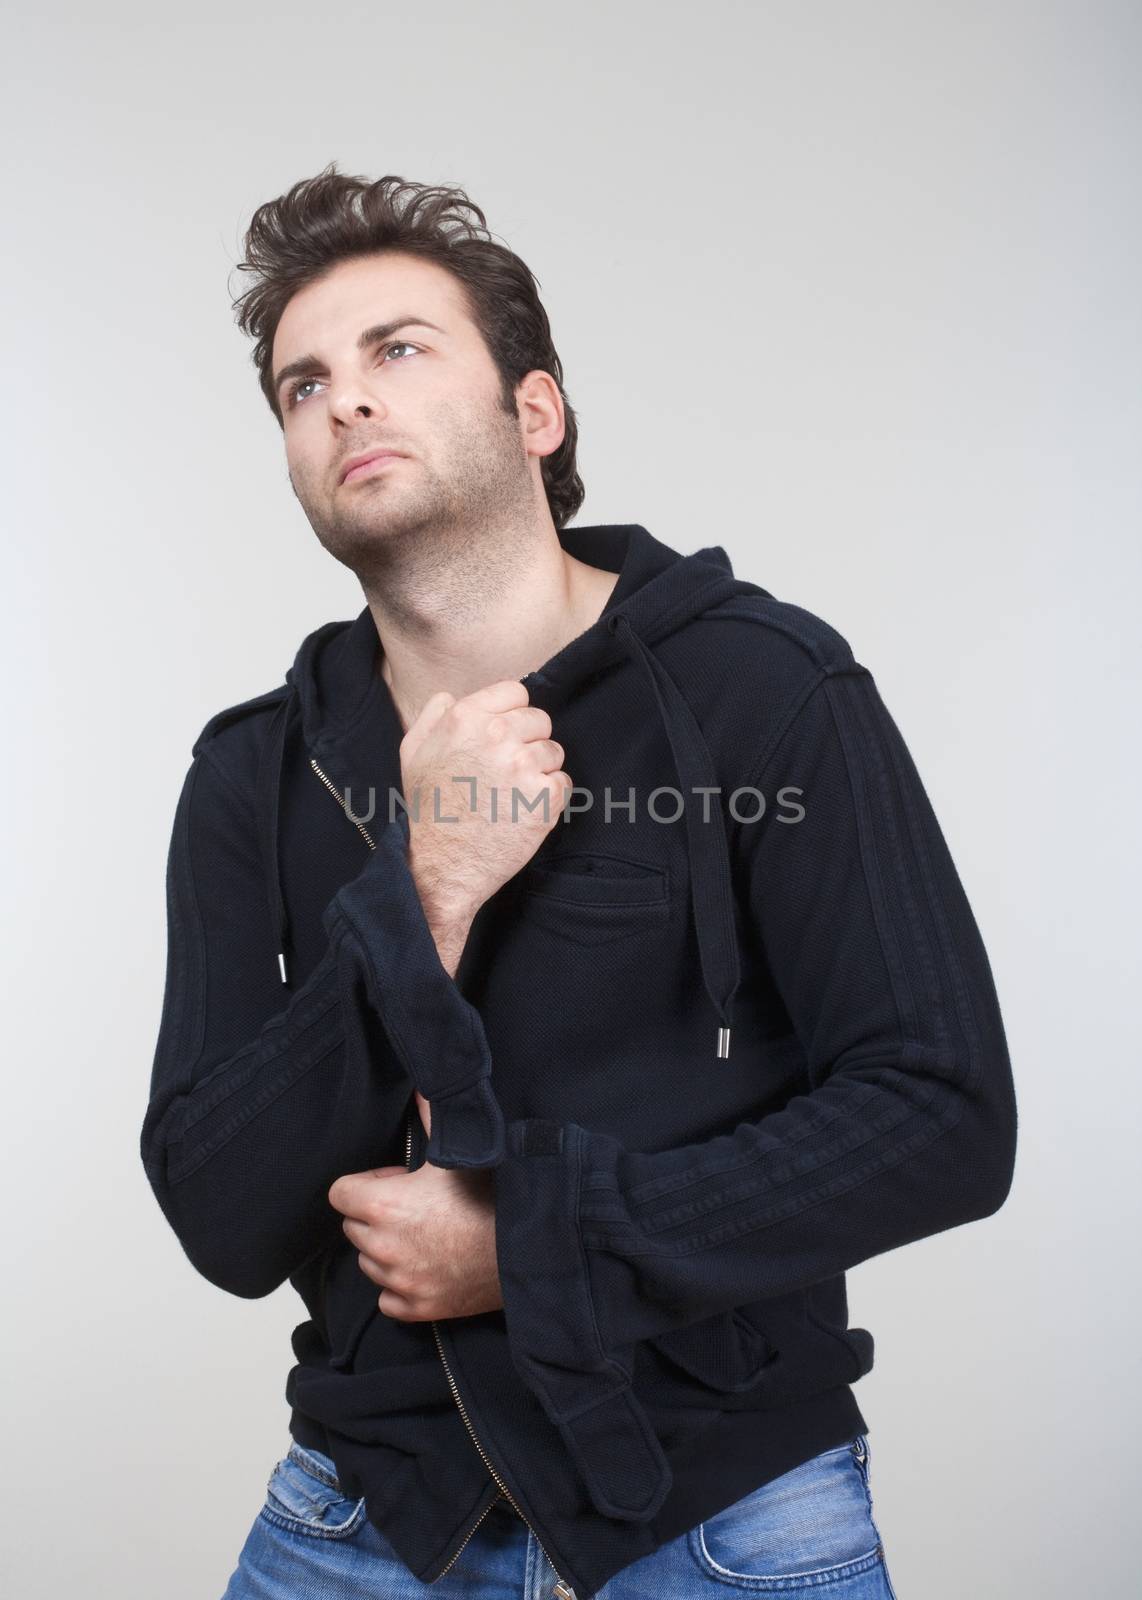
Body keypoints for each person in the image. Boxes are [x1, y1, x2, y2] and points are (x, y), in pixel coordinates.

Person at [140, 164, 1017, 1600]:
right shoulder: (254, 773)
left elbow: (941, 1115)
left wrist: (536, 1245)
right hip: (365, 1520)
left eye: (396, 351)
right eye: (302, 386)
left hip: (729, 1518)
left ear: (532, 413)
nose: (344, 400)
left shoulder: (764, 688)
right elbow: (217, 1214)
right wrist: (425, 887)